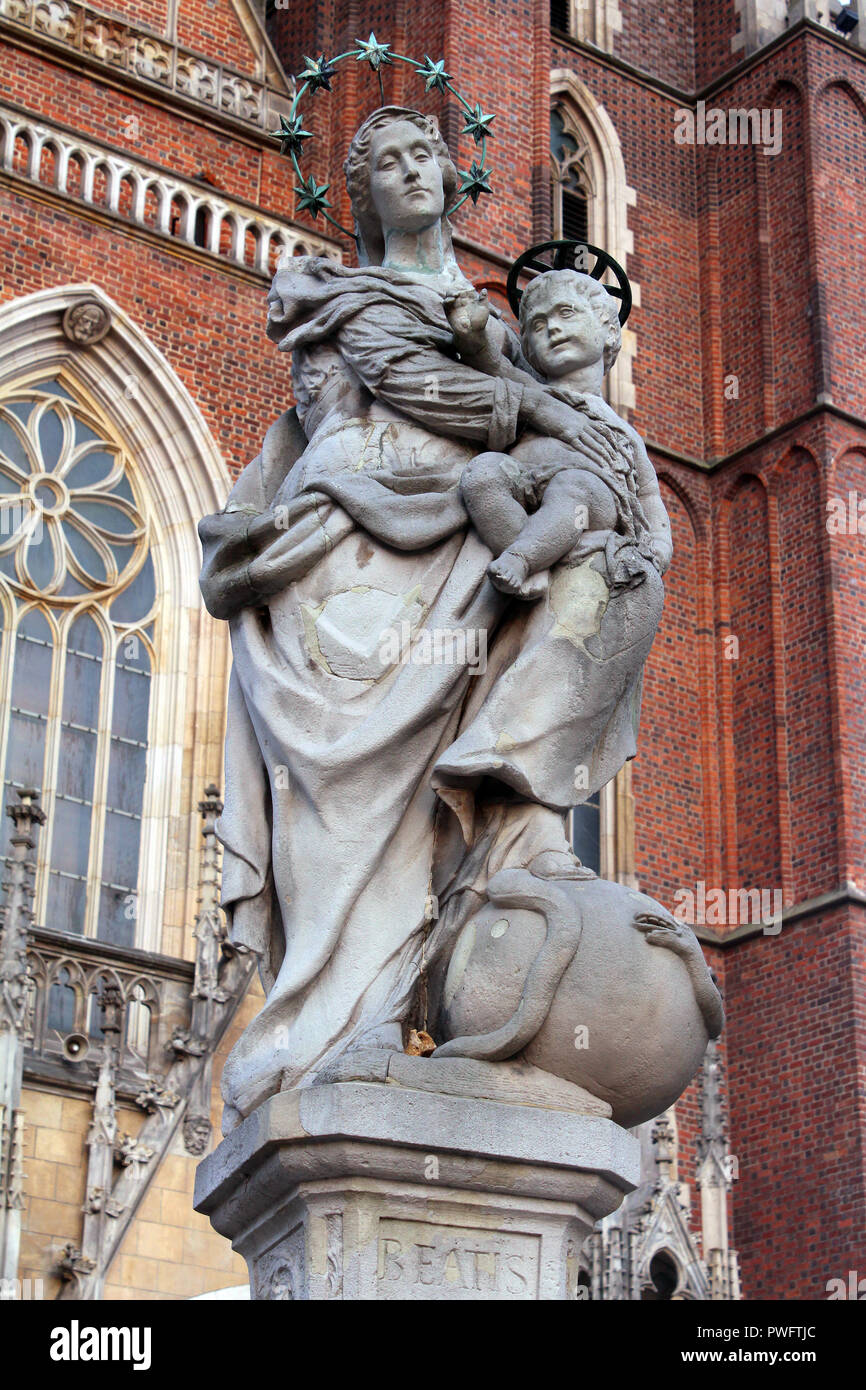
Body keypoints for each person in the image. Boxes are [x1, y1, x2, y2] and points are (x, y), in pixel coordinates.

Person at [447, 269, 671, 599]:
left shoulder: (620, 427)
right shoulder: (536, 392)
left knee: (572, 487)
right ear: (530, 350)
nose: (552, 328)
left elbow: (648, 494)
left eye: (566, 313)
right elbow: (498, 367)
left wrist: (660, 544)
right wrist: (472, 337)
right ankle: (532, 562)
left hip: (592, 495)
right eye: (537, 325)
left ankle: (521, 559)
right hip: (527, 480)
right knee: (481, 475)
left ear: (609, 331)